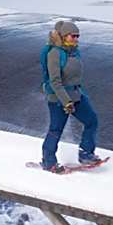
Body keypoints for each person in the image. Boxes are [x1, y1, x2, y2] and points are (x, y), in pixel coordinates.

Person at [39, 20, 102, 172]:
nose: (75, 39)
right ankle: (49, 162)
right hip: (59, 99)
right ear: (63, 36)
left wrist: (76, 95)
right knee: (56, 130)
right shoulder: (55, 53)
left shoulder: (74, 51)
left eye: (77, 36)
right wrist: (66, 101)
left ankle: (86, 153)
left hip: (76, 95)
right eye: (72, 36)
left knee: (92, 121)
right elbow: (55, 81)